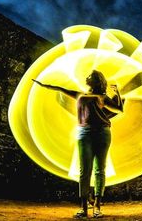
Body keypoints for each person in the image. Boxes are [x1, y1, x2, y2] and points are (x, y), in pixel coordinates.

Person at [32, 70, 124, 218]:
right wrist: (45, 85)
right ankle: (83, 208)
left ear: (96, 80)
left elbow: (119, 109)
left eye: (90, 76)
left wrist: (117, 92)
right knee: (84, 171)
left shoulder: (102, 97)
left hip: (102, 132)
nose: (86, 77)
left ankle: (97, 207)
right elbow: (62, 89)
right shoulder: (80, 95)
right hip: (84, 133)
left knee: (99, 170)